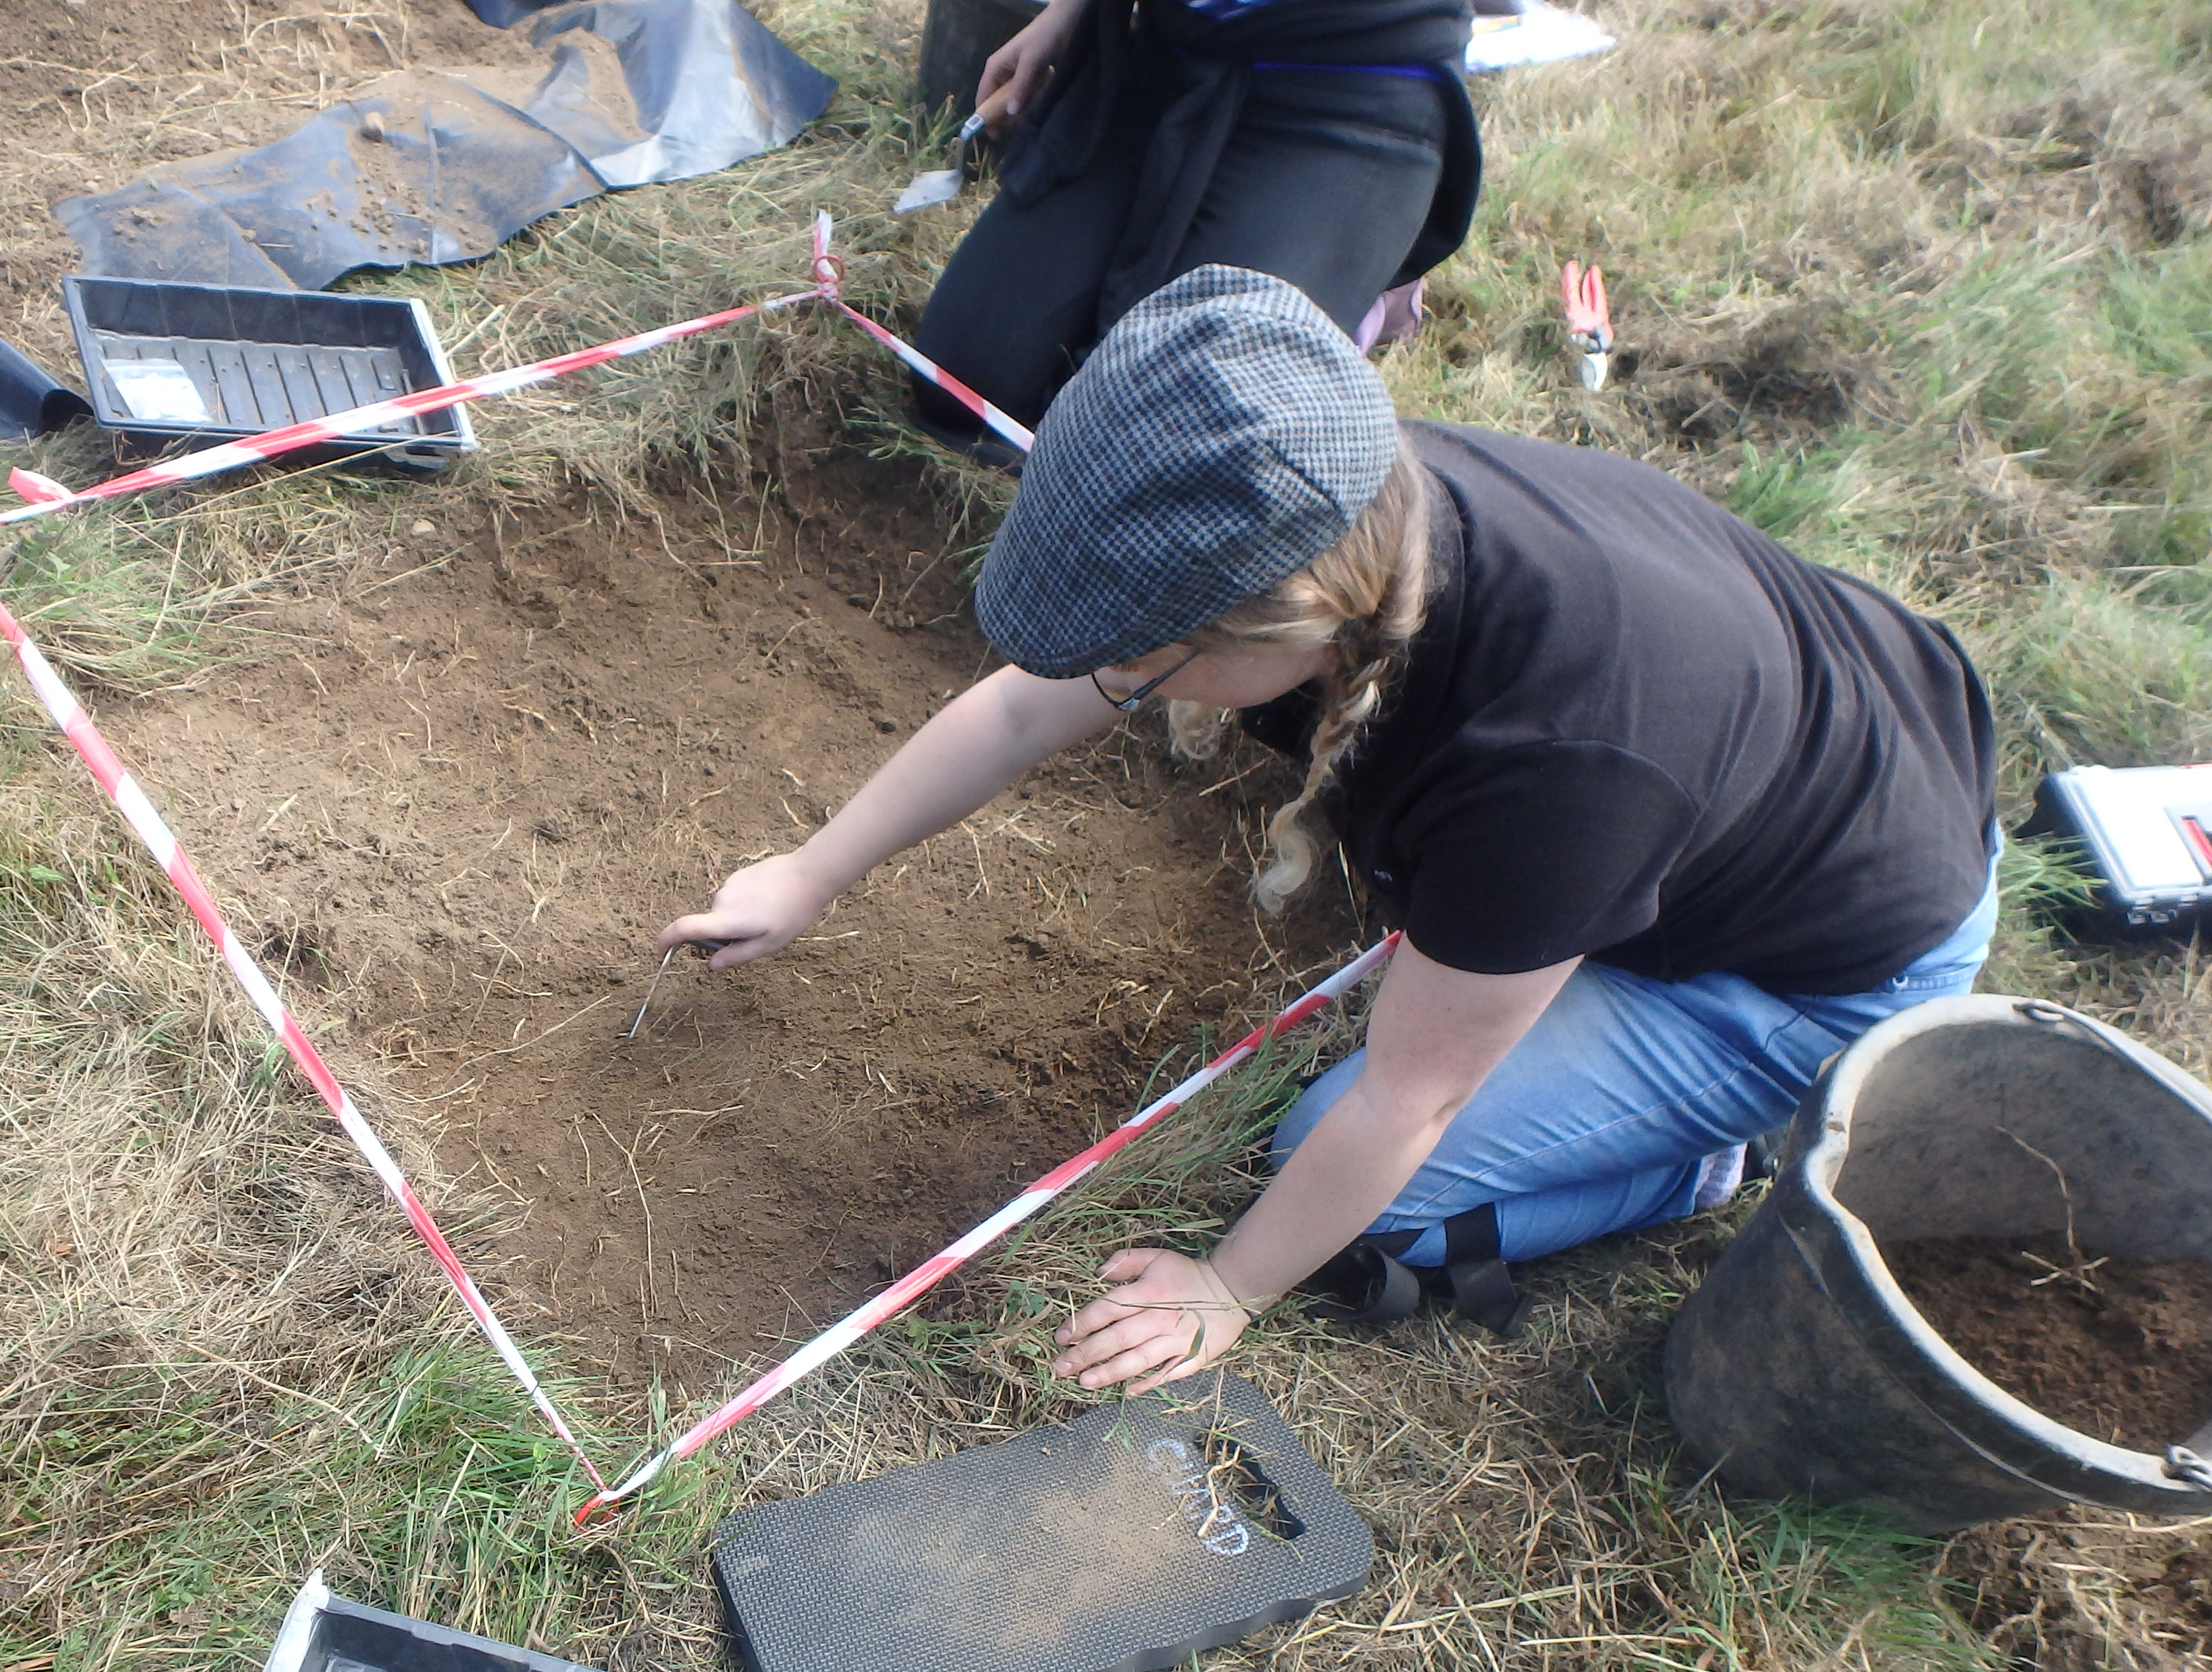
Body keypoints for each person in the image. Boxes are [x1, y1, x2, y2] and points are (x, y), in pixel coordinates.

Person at [660, 267, 2000, 1389]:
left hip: (1807, 973)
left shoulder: (1548, 771)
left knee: (1343, 1176)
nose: (1118, 683)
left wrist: (1229, 1289)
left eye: (1143, 666)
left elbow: (1416, 1097)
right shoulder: (1330, 482)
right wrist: (811, 869)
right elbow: (1023, 707)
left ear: (1298, 626)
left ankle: (1692, 1163)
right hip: (1811, 754)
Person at [910, 0, 1486, 448]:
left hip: (1352, 83)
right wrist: (1069, 12)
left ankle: (1356, 278)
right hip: (1175, 50)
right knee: (958, 385)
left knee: (1163, 447)